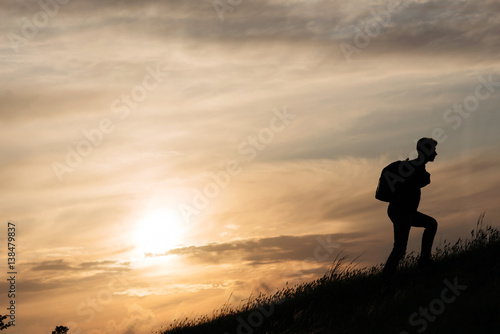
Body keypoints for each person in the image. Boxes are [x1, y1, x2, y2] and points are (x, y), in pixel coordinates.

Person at [381, 138, 438, 280]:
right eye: (433, 150)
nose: (436, 153)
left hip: (404, 211)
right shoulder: (415, 168)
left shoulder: (416, 168)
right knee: (399, 249)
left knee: (431, 224)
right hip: (401, 211)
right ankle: (384, 281)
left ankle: (424, 260)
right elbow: (419, 182)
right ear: (426, 151)